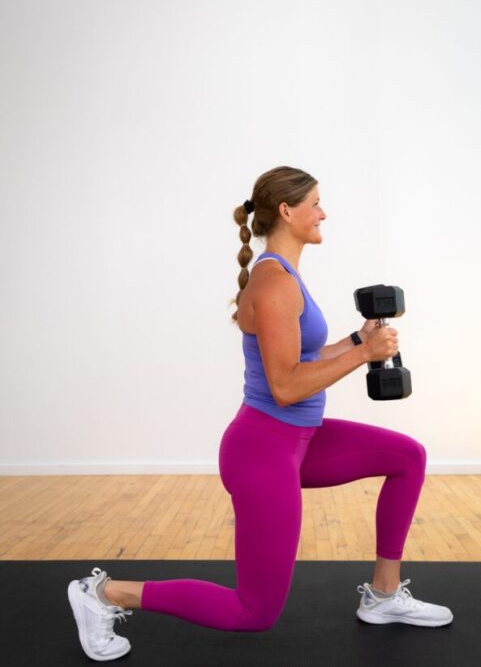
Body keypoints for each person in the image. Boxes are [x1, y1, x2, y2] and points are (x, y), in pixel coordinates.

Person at [67, 165, 453, 661]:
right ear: (287, 211)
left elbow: (303, 359)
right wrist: (363, 355)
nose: (323, 213)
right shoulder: (273, 284)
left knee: (407, 457)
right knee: (254, 611)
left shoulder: (287, 277)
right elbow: (287, 387)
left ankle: (383, 595)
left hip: (301, 441)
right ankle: (103, 594)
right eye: (315, 203)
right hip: (263, 451)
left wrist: (360, 340)